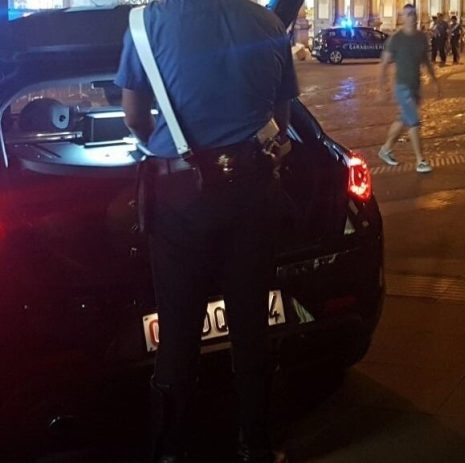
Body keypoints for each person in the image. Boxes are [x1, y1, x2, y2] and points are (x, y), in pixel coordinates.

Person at [115, 0, 298, 461]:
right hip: (252, 194)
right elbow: (283, 120)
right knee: (251, 326)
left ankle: (172, 451)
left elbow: (135, 117)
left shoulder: (146, 22)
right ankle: (257, 445)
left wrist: (165, 143)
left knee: (177, 332)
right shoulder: (267, 21)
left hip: (180, 201)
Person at [377, 4, 441, 174]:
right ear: (402, 17)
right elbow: (384, 64)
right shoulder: (396, 39)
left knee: (403, 119)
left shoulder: (421, 38)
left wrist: (435, 81)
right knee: (414, 122)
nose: (412, 17)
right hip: (402, 87)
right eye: (408, 14)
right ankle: (420, 160)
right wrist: (382, 88)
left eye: (413, 14)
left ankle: (386, 149)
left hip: (415, 87)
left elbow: (426, 61)